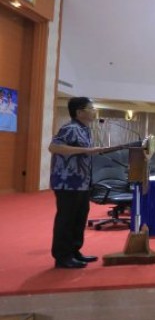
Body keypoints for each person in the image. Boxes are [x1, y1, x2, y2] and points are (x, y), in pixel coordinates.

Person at [48, 97, 105, 269]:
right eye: (91, 108)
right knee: (67, 219)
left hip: (82, 182)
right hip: (67, 182)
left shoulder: (84, 129)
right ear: (79, 112)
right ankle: (62, 256)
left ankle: (74, 251)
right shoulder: (70, 128)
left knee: (79, 218)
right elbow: (54, 147)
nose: (94, 111)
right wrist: (87, 150)